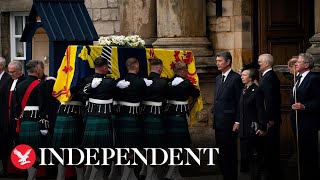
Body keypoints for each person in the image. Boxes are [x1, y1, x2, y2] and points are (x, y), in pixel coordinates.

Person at [80, 56, 116, 179]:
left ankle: (90, 173)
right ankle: (96, 174)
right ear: (105, 67)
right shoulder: (110, 82)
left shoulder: (87, 80)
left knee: (91, 148)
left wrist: (90, 87)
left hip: (91, 117)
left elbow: (82, 94)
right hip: (103, 117)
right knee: (102, 149)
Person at [14, 60, 50, 180]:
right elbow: (43, 106)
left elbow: (16, 107)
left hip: (24, 122)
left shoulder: (19, 85)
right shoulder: (40, 85)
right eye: (41, 68)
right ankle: (31, 176)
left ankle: (30, 175)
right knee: (38, 152)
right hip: (36, 122)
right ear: (37, 70)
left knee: (27, 151)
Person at [164, 61, 200, 180]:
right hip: (180, 116)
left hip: (169, 115)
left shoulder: (168, 83)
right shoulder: (186, 84)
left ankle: (176, 173)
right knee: (180, 145)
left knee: (172, 145)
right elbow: (196, 93)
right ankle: (170, 172)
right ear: (183, 71)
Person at [212, 51, 243, 180]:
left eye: (220, 61)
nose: (217, 63)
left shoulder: (236, 78)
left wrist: (237, 121)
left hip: (230, 123)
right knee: (221, 154)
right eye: (217, 61)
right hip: (218, 122)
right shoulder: (218, 78)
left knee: (230, 154)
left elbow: (239, 101)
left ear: (228, 62)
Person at [114, 57, 146, 180]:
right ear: (136, 65)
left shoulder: (119, 81)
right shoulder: (140, 82)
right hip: (133, 118)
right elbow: (145, 97)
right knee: (132, 149)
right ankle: (125, 176)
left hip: (121, 117)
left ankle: (129, 175)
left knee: (123, 148)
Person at [290, 53, 320, 180]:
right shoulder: (297, 78)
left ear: (306, 65)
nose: (295, 64)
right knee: (301, 154)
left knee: (309, 154)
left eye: (299, 62)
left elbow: (318, 100)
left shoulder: (314, 78)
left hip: (308, 122)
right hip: (297, 121)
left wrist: (305, 106)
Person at [139, 58, 168, 179]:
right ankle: (150, 174)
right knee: (154, 147)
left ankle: (144, 171)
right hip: (156, 117)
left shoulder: (142, 81)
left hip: (144, 116)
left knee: (146, 145)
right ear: (160, 68)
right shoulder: (162, 82)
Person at [257, 53, 281, 180]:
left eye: (260, 62)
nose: (258, 64)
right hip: (269, 121)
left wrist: (265, 124)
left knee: (270, 155)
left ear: (267, 63)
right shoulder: (267, 77)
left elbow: (269, 103)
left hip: (269, 123)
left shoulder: (269, 78)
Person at [238, 67, 265, 180]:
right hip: (243, 128)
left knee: (254, 155)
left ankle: (256, 176)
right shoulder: (243, 90)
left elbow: (260, 109)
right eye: (242, 75)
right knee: (245, 154)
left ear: (251, 78)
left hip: (253, 127)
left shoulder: (256, 90)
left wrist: (262, 127)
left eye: (244, 75)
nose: (241, 77)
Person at [0, 57, 11, 177]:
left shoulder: (8, 79)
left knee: (3, 143)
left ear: (1, 66)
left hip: (3, 116)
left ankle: (5, 168)